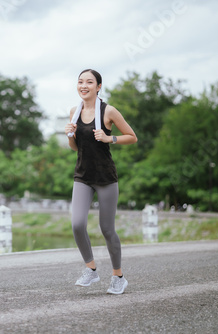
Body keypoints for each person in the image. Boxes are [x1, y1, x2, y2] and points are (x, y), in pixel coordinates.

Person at [65, 69, 137, 294]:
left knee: (107, 229)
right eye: (80, 82)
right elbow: (76, 147)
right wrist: (70, 135)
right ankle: (91, 269)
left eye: (89, 82)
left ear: (98, 87)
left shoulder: (109, 111)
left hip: (105, 177)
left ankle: (118, 276)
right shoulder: (74, 112)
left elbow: (132, 137)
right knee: (77, 224)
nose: (83, 85)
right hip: (83, 176)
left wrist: (110, 138)